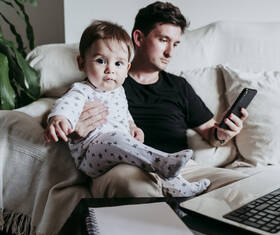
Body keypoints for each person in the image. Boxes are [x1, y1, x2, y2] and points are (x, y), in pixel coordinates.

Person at [59, 2, 249, 197]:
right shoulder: (105, 83)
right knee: (137, 188)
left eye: (175, 44)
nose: (170, 52)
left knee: (246, 188)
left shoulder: (179, 86)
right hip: (123, 167)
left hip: (181, 170)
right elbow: (67, 115)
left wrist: (223, 132)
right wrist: (74, 131)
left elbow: (211, 133)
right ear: (139, 38)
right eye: (163, 40)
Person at [45, 20, 210, 197]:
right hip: (91, 154)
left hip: (120, 151)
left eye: (118, 64)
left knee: (140, 154)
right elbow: (66, 105)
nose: (110, 70)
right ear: (81, 63)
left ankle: (180, 187)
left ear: (126, 68)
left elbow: (125, 114)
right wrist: (59, 119)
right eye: (101, 61)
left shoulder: (119, 91)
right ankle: (163, 163)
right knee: (123, 142)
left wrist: (132, 127)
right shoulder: (82, 90)